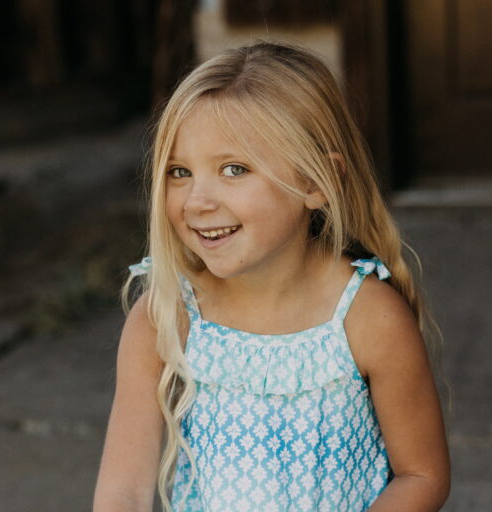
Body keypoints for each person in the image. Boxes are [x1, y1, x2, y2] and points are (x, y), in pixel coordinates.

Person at [93, 41, 450, 512]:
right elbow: (123, 491)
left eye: (233, 169)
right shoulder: (166, 315)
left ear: (315, 182)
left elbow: (421, 475)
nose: (197, 201)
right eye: (180, 171)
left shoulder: (367, 318)